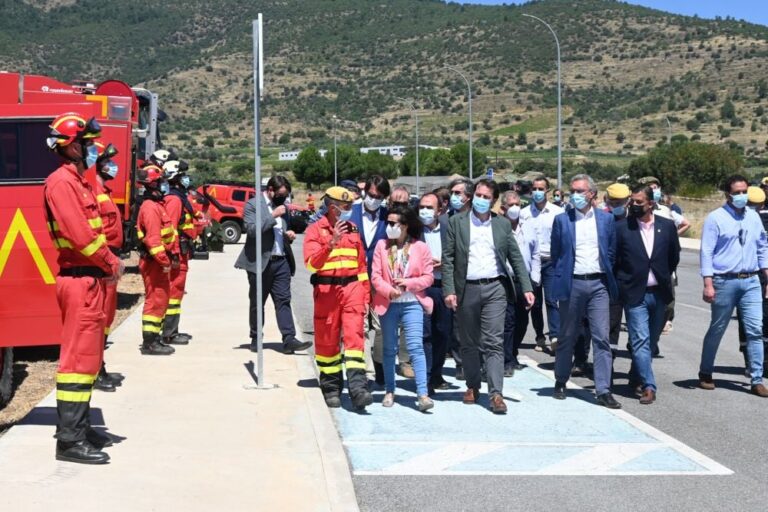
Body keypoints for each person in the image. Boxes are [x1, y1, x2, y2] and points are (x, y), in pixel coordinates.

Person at [44, 113, 124, 463]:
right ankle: (69, 440)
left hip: (89, 279)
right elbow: (81, 237)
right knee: (76, 361)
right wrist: (111, 263)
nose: (92, 149)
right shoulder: (62, 183)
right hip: (80, 278)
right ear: (72, 146)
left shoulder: (79, 181)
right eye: (88, 143)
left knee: (89, 360)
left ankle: (81, 427)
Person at [443, 179, 534, 414]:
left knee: (494, 342)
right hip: (467, 289)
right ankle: (473, 385)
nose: (481, 200)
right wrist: (450, 290)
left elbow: (515, 257)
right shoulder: (456, 222)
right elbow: (449, 259)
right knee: (470, 343)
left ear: (493, 201)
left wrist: (526, 287)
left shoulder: (502, 225)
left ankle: (495, 393)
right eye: (478, 196)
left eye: (486, 197)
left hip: (495, 288)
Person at [550, 174, 621, 408]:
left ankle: (603, 389)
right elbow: (557, 254)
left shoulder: (606, 220)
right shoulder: (562, 220)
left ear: (592, 194)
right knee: (567, 335)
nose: (575, 195)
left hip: (599, 285)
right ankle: (561, 380)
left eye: (580, 191)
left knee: (601, 338)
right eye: (573, 191)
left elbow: (610, 251)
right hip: (572, 284)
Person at [303, 186, 373, 410]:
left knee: (355, 339)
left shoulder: (353, 230)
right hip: (327, 292)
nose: (349, 210)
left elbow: (361, 265)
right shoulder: (315, 230)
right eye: (345, 207)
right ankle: (332, 387)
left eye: (351, 206)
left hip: (352, 289)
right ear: (332, 208)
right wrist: (330, 244)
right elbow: (311, 264)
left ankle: (358, 389)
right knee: (327, 339)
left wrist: (365, 292)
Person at [698, 175, 768, 397]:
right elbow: (706, 251)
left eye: (744, 191)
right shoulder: (715, 218)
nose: (741, 196)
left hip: (751, 281)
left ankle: (756, 378)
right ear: (728, 194)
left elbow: (762, 246)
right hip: (724, 280)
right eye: (736, 192)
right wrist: (708, 283)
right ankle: (706, 371)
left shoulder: (754, 217)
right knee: (717, 328)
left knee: (755, 330)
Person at [614, 184, 680, 404]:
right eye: (632, 201)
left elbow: (673, 258)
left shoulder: (667, 227)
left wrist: (661, 276)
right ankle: (649, 386)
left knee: (651, 341)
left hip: (659, 293)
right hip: (635, 294)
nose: (633, 205)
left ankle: (636, 373)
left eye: (639, 202)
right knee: (640, 340)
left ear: (651, 203)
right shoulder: (623, 228)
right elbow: (616, 261)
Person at [235, 175, 310, 354]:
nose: (283, 198)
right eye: (281, 194)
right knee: (257, 301)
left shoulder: (283, 207)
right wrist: (272, 216)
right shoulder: (253, 205)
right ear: (270, 190)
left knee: (283, 300)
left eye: (286, 195)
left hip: (281, 261)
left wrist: (288, 235)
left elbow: (279, 233)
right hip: (260, 262)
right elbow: (252, 231)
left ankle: (289, 339)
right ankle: (255, 337)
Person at [371, 206, 435, 411]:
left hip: (412, 303)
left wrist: (409, 283)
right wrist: (389, 290)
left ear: (405, 226)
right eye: (387, 223)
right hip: (388, 303)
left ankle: (422, 394)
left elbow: (428, 277)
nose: (388, 227)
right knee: (389, 349)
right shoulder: (382, 246)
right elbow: (375, 276)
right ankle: (390, 390)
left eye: (393, 223)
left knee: (415, 346)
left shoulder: (421, 248)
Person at [93, 142, 125, 393]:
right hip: (102, 262)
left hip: (110, 261)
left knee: (106, 317)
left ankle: (99, 366)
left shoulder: (104, 191)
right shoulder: (93, 191)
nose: (112, 166)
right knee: (99, 317)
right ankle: (94, 371)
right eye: (107, 162)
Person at [136, 165, 177, 356]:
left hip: (158, 262)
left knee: (160, 300)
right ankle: (150, 342)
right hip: (155, 263)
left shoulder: (156, 206)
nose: (165, 185)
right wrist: (164, 261)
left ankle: (155, 338)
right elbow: (153, 241)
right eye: (162, 181)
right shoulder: (150, 208)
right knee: (155, 301)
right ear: (153, 184)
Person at [520, 175, 564, 353]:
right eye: (534, 189)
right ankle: (540, 336)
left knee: (553, 301)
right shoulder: (524, 214)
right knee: (535, 303)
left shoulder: (557, 213)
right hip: (531, 265)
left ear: (547, 190)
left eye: (541, 189)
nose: (537, 192)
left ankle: (555, 335)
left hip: (551, 262)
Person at [159, 160, 200, 346]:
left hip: (182, 252)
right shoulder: (175, 200)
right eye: (183, 174)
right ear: (175, 177)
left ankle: (171, 331)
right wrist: (173, 255)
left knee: (177, 293)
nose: (186, 178)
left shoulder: (178, 198)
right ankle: (169, 333)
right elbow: (171, 230)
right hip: (178, 254)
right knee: (174, 293)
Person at [499, 190, 540, 375]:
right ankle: (506, 359)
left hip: (526, 281)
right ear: (503, 208)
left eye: (518, 204)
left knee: (522, 321)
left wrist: (535, 279)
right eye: (511, 204)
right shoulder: (498, 226)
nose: (515, 208)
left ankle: (513, 352)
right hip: (506, 281)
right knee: (508, 321)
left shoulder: (529, 225)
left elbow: (536, 253)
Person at [419, 192, 452, 393]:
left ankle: (437, 374)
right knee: (425, 334)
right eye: (422, 206)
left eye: (430, 207)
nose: (425, 211)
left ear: (440, 210)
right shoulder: (414, 231)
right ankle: (427, 378)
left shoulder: (450, 229)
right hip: (422, 289)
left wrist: (444, 263)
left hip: (444, 288)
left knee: (443, 333)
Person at [445, 177, 474, 380]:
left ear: (468, 197)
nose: (454, 197)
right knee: (457, 326)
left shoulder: (480, 219)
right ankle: (461, 363)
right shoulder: (446, 219)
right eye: (452, 193)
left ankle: (478, 361)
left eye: (458, 193)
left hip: (477, 278)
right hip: (455, 280)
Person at [605, 183, 630, 352]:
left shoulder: (636, 221)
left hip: (632, 279)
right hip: (611, 280)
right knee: (611, 322)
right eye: (613, 202)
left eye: (620, 202)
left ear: (628, 201)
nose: (617, 206)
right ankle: (609, 360)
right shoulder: (603, 220)